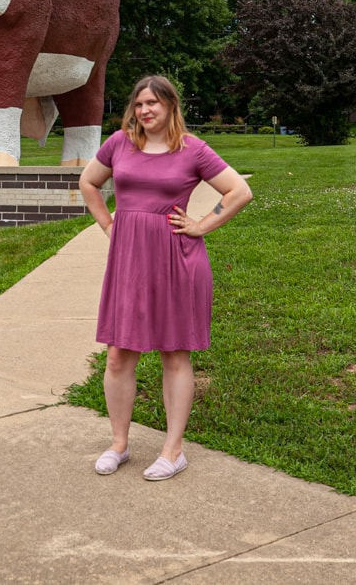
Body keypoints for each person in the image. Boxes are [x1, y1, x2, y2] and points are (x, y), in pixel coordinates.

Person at [78, 75, 252, 481]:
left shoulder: (192, 149)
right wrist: (108, 226)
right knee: (119, 353)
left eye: (153, 103)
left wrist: (202, 226)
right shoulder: (119, 142)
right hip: (129, 260)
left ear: (171, 106)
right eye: (139, 104)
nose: (145, 111)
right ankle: (119, 444)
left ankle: (173, 451)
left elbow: (239, 191)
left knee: (175, 352)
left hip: (177, 259)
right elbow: (88, 182)